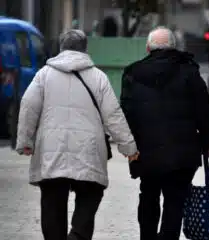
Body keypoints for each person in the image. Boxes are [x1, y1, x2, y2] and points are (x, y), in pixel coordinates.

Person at [16, 29, 139, 240]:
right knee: (90, 193)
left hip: (51, 152)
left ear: (61, 48)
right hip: (88, 150)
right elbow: (113, 114)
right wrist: (129, 147)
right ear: (85, 49)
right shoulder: (98, 77)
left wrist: (25, 141)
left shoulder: (44, 75)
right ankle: (78, 235)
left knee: (52, 201)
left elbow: (28, 106)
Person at [120, 26, 209, 240]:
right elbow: (204, 109)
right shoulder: (189, 71)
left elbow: (126, 113)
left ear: (147, 48)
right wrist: (207, 141)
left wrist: (128, 146)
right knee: (175, 200)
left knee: (148, 194)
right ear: (174, 47)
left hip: (146, 150)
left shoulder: (132, 73)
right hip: (182, 152)